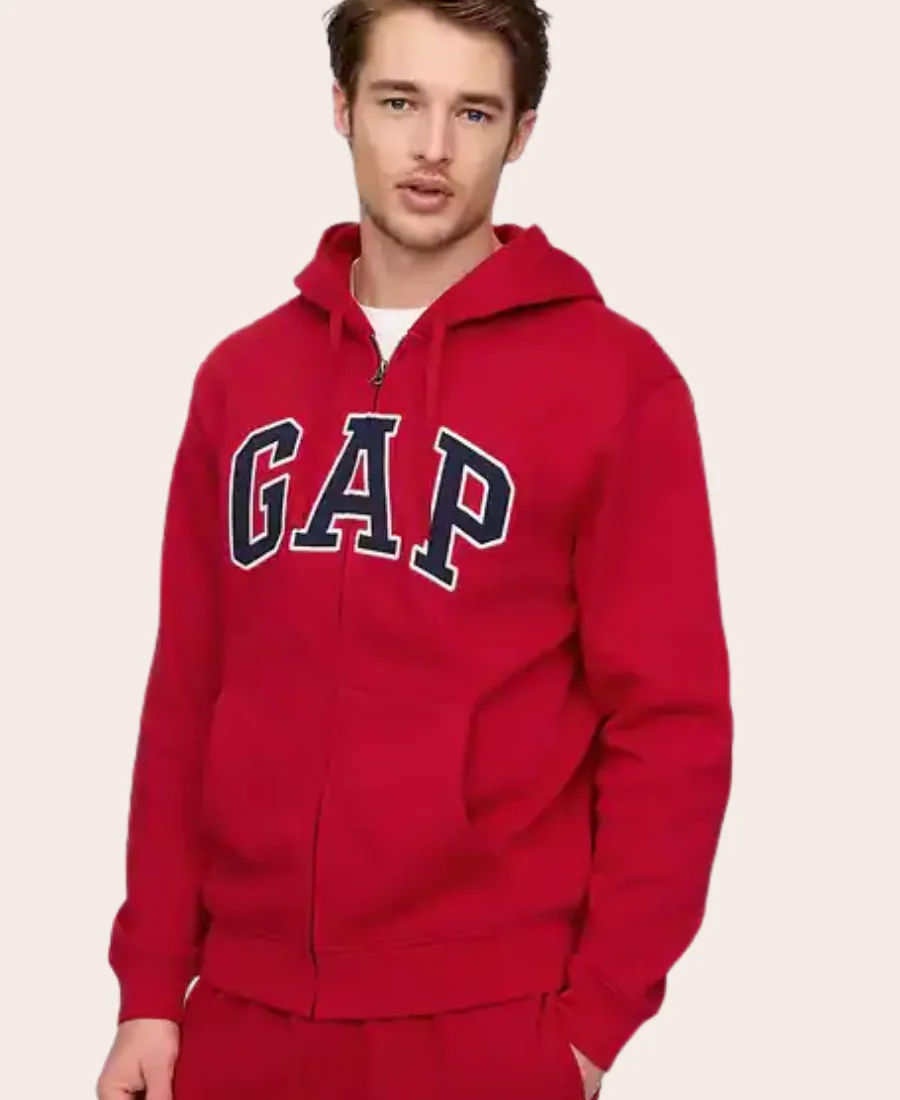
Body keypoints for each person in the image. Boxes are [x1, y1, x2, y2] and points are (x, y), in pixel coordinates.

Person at [96, 1, 733, 1097]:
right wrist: (152, 988)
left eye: (473, 112)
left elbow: (671, 722)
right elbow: (187, 696)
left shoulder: (616, 382)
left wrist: (590, 1024)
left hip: (485, 1021)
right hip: (239, 1017)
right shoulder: (240, 381)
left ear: (521, 132)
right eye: (400, 101)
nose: (433, 146)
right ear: (342, 107)